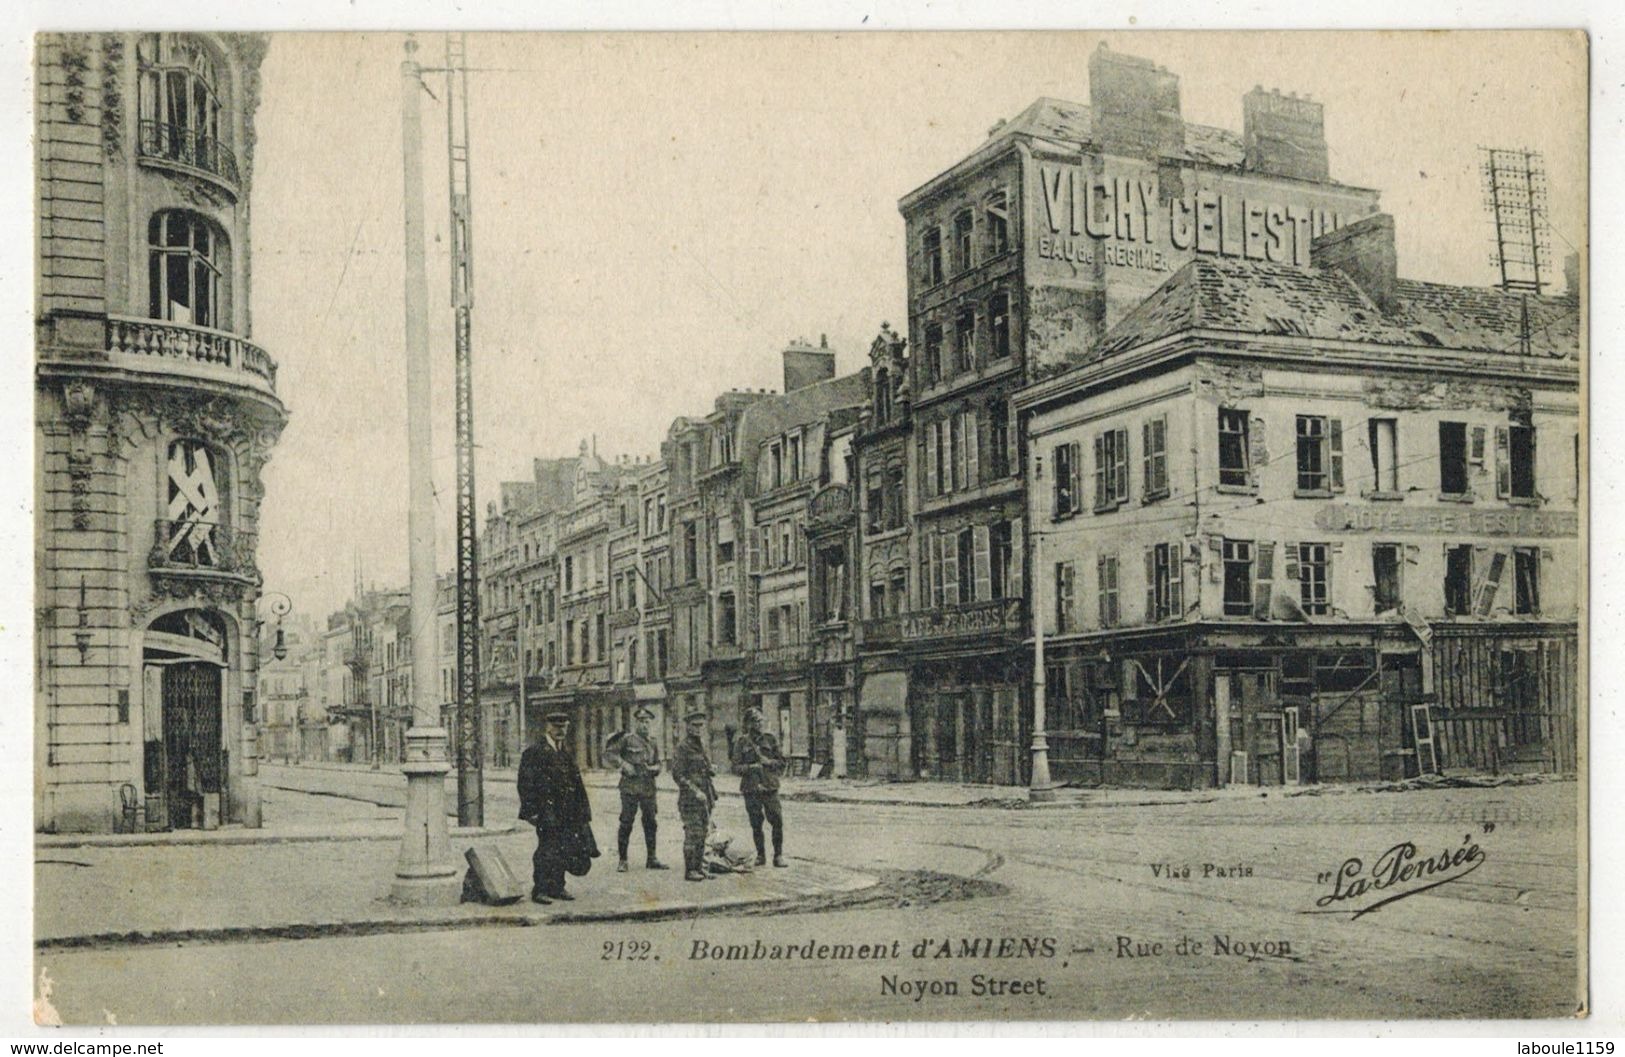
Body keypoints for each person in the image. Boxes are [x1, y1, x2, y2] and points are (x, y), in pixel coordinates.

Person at [517, 710, 592, 903]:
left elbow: (577, 784)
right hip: (546, 811)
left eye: (564, 727)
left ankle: (558, 887)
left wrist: (583, 812)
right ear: (548, 727)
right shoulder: (534, 752)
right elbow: (525, 784)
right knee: (546, 850)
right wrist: (530, 811)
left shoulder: (565, 753)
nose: (561, 731)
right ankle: (540, 889)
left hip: (567, 812)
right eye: (557, 727)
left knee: (564, 848)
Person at [611, 706, 668, 872]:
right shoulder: (627, 739)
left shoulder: (653, 741)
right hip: (629, 787)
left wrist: (654, 769)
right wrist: (624, 764)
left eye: (647, 722)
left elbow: (659, 763)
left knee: (651, 822)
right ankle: (623, 860)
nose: (644, 725)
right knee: (626, 822)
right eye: (641, 722)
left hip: (648, 788)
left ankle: (652, 858)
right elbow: (611, 754)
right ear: (636, 723)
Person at [730, 706, 787, 867]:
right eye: (755, 721)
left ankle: (778, 855)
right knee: (756, 823)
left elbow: (782, 762)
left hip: (770, 786)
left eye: (761, 720)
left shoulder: (770, 739)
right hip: (751, 788)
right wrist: (750, 768)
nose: (759, 724)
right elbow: (735, 767)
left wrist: (769, 762)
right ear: (748, 723)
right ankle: (761, 855)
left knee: (777, 820)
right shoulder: (741, 742)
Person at [671, 709, 716, 882]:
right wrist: (695, 791)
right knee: (693, 832)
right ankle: (690, 870)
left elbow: (703, 767)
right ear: (688, 727)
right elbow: (678, 774)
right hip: (690, 798)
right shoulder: (683, 747)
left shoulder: (700, 745)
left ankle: (699, 868)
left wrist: (711, 769)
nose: (698, 729)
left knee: (703, 832)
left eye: (700, 726)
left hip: (706, 795)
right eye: (695, 726)